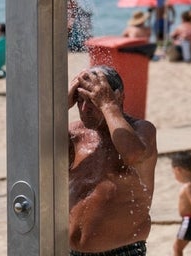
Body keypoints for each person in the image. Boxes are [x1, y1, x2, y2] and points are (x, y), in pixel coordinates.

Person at [68, 65, 158, 255]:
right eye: (79, 100)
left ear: (119, 97)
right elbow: (28, 150)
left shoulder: (141, 130)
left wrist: (108, 105)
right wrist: (58, 105)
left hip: (123, 251)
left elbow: (132, 155)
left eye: (92, 101)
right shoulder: (75, 134)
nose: (84, 109)